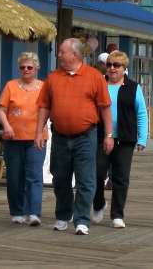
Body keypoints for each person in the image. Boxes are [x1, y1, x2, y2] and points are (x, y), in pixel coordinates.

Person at [35, 38, 112, 236]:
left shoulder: (94, 76)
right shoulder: (53, 78)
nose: (58, 55)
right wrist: (39, 131)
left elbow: (105, 107)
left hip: (86, 136)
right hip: (60, 136)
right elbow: (44, 106)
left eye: (62, 51)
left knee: (86, 180)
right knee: (60, 178)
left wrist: (109, 135)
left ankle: (82, 220)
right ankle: (63, 215)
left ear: (75, 55)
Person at [92, 51, 147, 229]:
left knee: (121, 177)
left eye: (117, 65)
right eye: (109, 65)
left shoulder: (133, 87)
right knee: (97, 173)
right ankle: (98, 203)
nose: (112, 68)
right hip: (100, 136)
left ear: (124, 68)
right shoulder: (99, 84)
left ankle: (117, 214)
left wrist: (142, 138)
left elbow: (141, 113)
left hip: (125, 138)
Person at [0, 52, 45, 226]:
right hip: (13, 137)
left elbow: (47, 111)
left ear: (37, 68)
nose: (26, 70)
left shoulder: (43, 87)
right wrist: (7, 126)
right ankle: (17, 211)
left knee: (34, 176)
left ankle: (33, 212)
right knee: (14, 176)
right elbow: (2, 110)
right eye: (22, 67)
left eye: (29, 67)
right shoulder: (11, 86)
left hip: (35, 138)